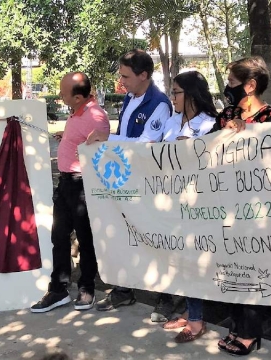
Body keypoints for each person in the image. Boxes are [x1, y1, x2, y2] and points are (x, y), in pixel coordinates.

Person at [206, 56, 271, 355]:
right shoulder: (226, 114)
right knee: (231, 268)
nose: (227, 88)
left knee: (253, 270)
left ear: (250, 85)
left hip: (259, 212)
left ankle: (251, 333)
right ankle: (235, 326)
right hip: (226, 206)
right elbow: (206, 150)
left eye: (231, 82)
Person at [85, 49, 174, 315]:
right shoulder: (129, 98)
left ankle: (165, 296)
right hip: (125, 178)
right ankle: (124, 291)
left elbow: (146, 144)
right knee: (124, 234)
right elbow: (124, 135)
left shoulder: (158, 104)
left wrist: (108, 140)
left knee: (154, 236)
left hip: (149, 182)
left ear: (144, 75)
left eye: (125, 76)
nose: (121, 81)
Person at [30, 72, 110, 313]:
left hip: (82, 184)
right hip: (66, 183)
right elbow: (81, 142)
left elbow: (99, 153)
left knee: (86, 239)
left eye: (64, 93)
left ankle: (87, 288)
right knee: (59, 237)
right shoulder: (77, 113)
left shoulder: (96, 117)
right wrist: (66, 138)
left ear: (77, 97)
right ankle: (59, 289)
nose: (60, 96)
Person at [152, 71, 218, 343]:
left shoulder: (211, 124)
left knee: (194, 261)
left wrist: (190, 151)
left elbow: (214, 163)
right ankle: (191, 312)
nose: (172, 97)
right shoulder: (170, 122)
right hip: (169, 203)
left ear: (191, 94)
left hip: (197, 206)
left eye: (176, 92)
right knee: (178, 261)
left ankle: (197, 319)